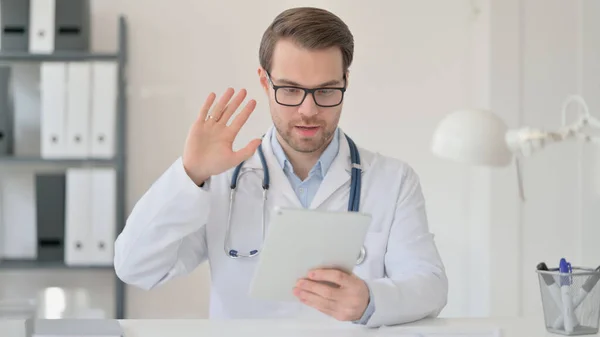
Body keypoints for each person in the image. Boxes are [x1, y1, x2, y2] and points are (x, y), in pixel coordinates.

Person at [114, 6, 448, 328]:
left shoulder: (392, 180)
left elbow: (431, 287)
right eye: (290, 89)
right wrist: (189, 174)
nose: (308, 110)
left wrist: (372, 300)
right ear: (264, 80)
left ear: (345, 81)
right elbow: (134, 267)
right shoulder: (220, 178)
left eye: (326, 91)